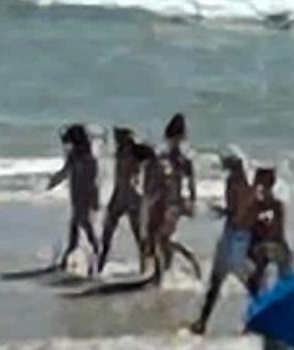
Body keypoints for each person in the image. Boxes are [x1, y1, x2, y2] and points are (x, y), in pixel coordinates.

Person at [190, 155, 252, 335]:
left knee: (220, 281)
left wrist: (222, 211)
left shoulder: (234, 183)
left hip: (233, 237)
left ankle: (202, 322)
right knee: (245, 283)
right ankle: (203, 322)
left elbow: (236, 212)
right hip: (238, 236)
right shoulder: (244, 185)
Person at [139, 142, 201, 286]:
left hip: (165, 206)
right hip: (169, 205)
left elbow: (156, 189)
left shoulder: (162, 164)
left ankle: (162, 276)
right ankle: (165, 273)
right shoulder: (165, 162)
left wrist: (151, 204)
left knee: (159, 240)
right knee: (161, 241)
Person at [41, 122, 100, 272]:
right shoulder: (74, 157)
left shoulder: (89, 159)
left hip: (84, 197)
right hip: (77, 198)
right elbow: (65, 172)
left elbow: (92, 181)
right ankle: (72, 258)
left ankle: (96, 255)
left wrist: (93, 199)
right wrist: (54, 181)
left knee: (83, 227)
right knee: (76, 229)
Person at [93, 127, 147, 273]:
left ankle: (146, 267)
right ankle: (99, 267)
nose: (115, 140)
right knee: (107, 234)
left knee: (139, 237)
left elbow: (148, 165)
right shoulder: (119, 152)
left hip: (131, 198)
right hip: (118, 195)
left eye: (118, 137)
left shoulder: (134, 154)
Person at [244, 169, 294, 299]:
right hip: (260, 246)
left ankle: (282, 295)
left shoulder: (275, 206)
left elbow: (277, 231)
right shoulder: (255, 205)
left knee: (282, 266)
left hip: (271, 245)